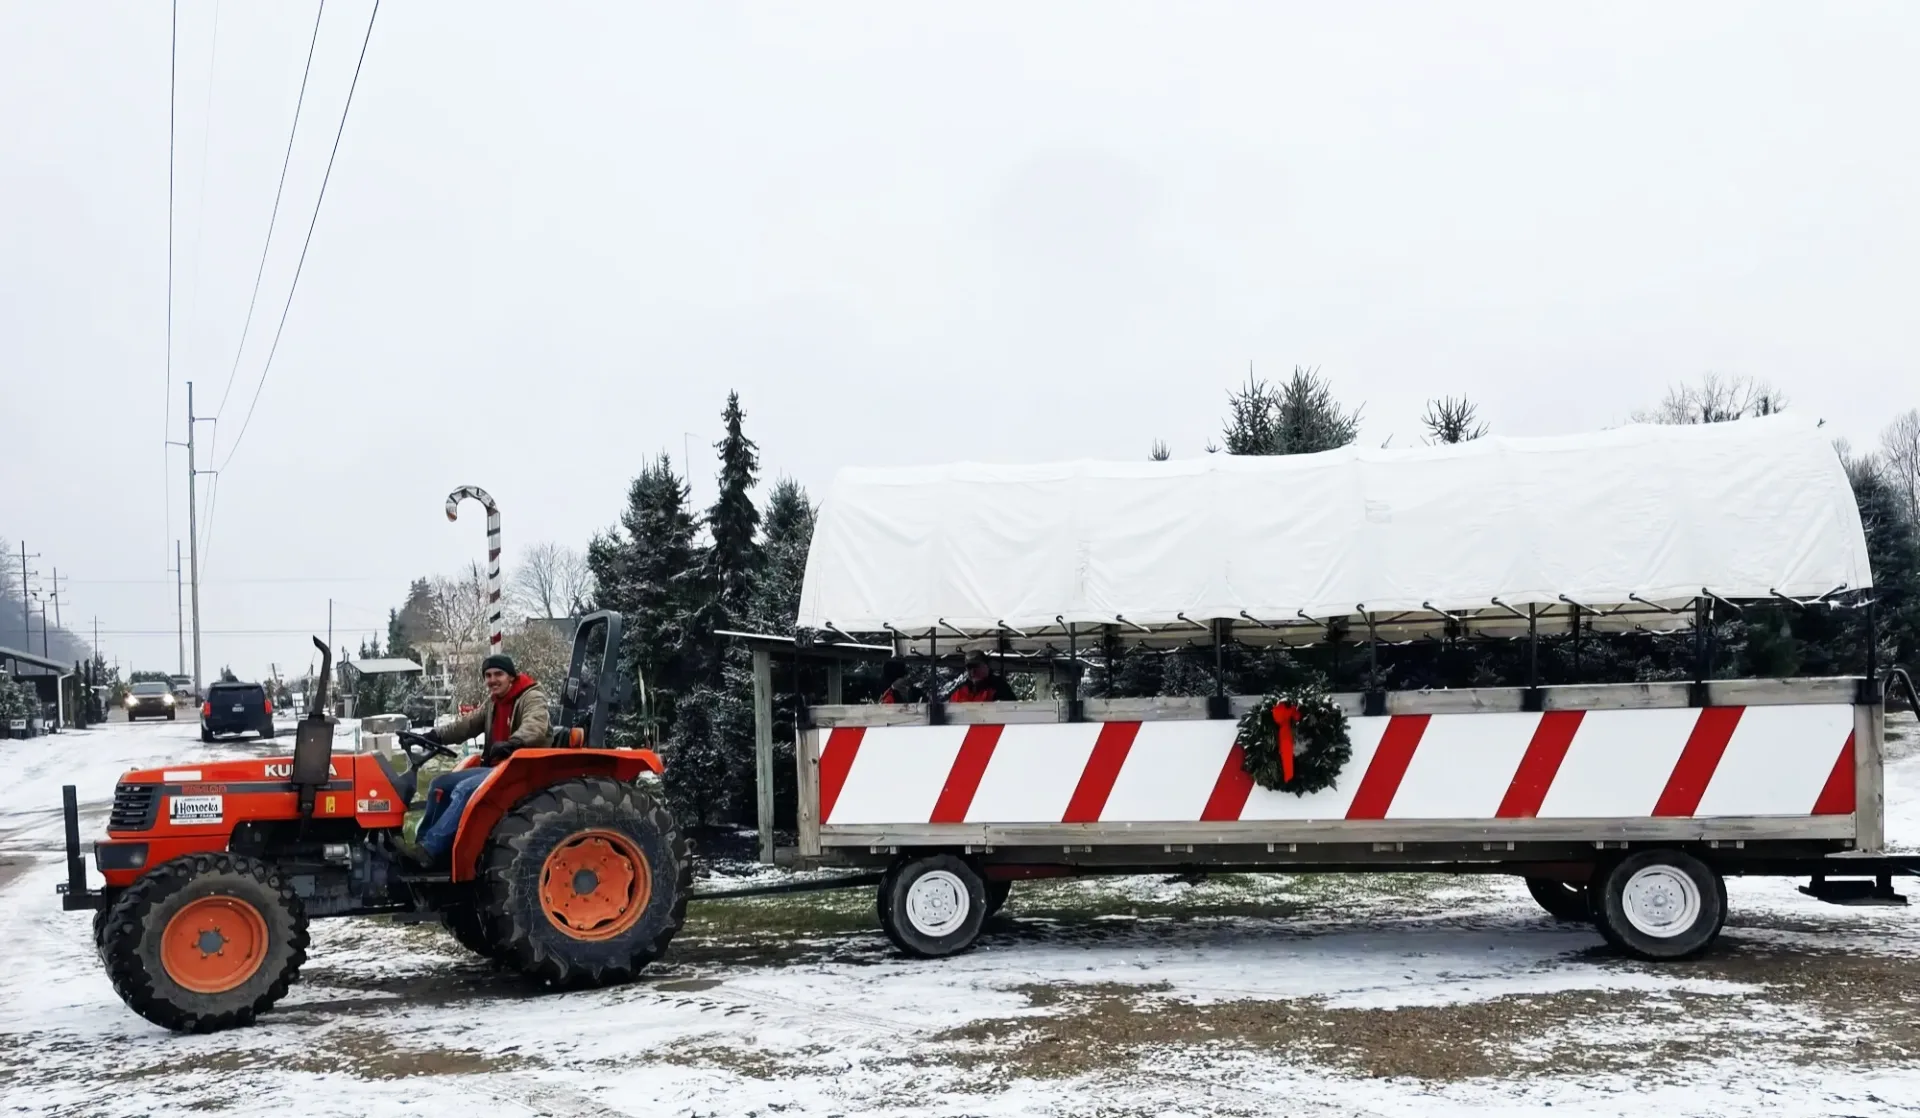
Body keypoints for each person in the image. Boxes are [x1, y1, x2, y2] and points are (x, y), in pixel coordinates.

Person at [407, 653, 550, 866]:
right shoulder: (493, 703)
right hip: (497, 768)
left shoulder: (531, 697)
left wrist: (514, 742)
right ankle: (425, 848)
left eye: (498, 674)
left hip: (519, 769)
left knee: (465, 789)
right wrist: (434, 736)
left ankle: (430, 850)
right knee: (440, 785)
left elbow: (535, 725)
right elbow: (467, 725)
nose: (492, 680)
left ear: (511, 676)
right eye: (488, 675)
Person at [946, 650, 1015, 703]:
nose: (973, 671)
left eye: (976, 666)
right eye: (969, 667)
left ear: (986, 666)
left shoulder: (1000, 687)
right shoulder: (960, 690)